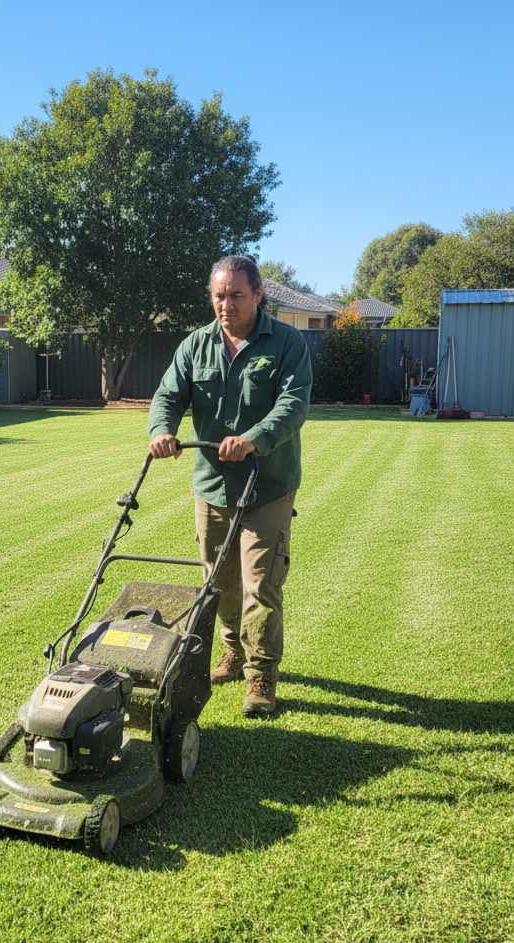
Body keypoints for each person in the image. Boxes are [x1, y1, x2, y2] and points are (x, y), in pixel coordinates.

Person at [147, 255, 312, 717]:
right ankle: (234, 653)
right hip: (212, 487)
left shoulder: (286, 343)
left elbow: (294, 404)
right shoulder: (195, 346)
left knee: (261, 585)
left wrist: (254, 438)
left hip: (267, 485)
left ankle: (261, 676)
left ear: (258, 295)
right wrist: (161, 430)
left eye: (236, 295)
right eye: (219, 296)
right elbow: (168, 395)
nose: (226, 305)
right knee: (217, 582)